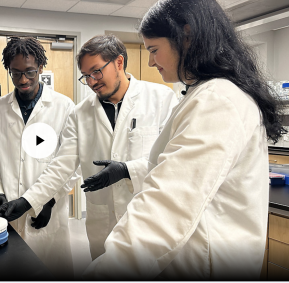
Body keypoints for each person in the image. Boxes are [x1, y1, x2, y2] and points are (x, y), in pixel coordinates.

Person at [82, 0, 286, 280]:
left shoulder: (218, 100)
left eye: (154, 50)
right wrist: (128, 170)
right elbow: (179, 165)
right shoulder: (202, 94)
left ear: (186, 37)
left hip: (208, 260)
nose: (151, 61)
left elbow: (170, 201)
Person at [0, 35, 178, 260]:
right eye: (86, 76)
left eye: (96, 72)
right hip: (103, 223)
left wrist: (127, 170)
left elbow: (173, 160)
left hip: (148, 219)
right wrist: (28, 201)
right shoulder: (80, 113)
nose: (91, 81)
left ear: (119, 63)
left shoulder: (161, 99)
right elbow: (62, 166)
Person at [0, 37, 78, 280]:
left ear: (41, 69)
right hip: (10, 210)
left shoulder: (64, 106)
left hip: (50, 215)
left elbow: (70, 165)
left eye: (30, 72)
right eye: (15, 73)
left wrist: (49, 202)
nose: (23, 79)